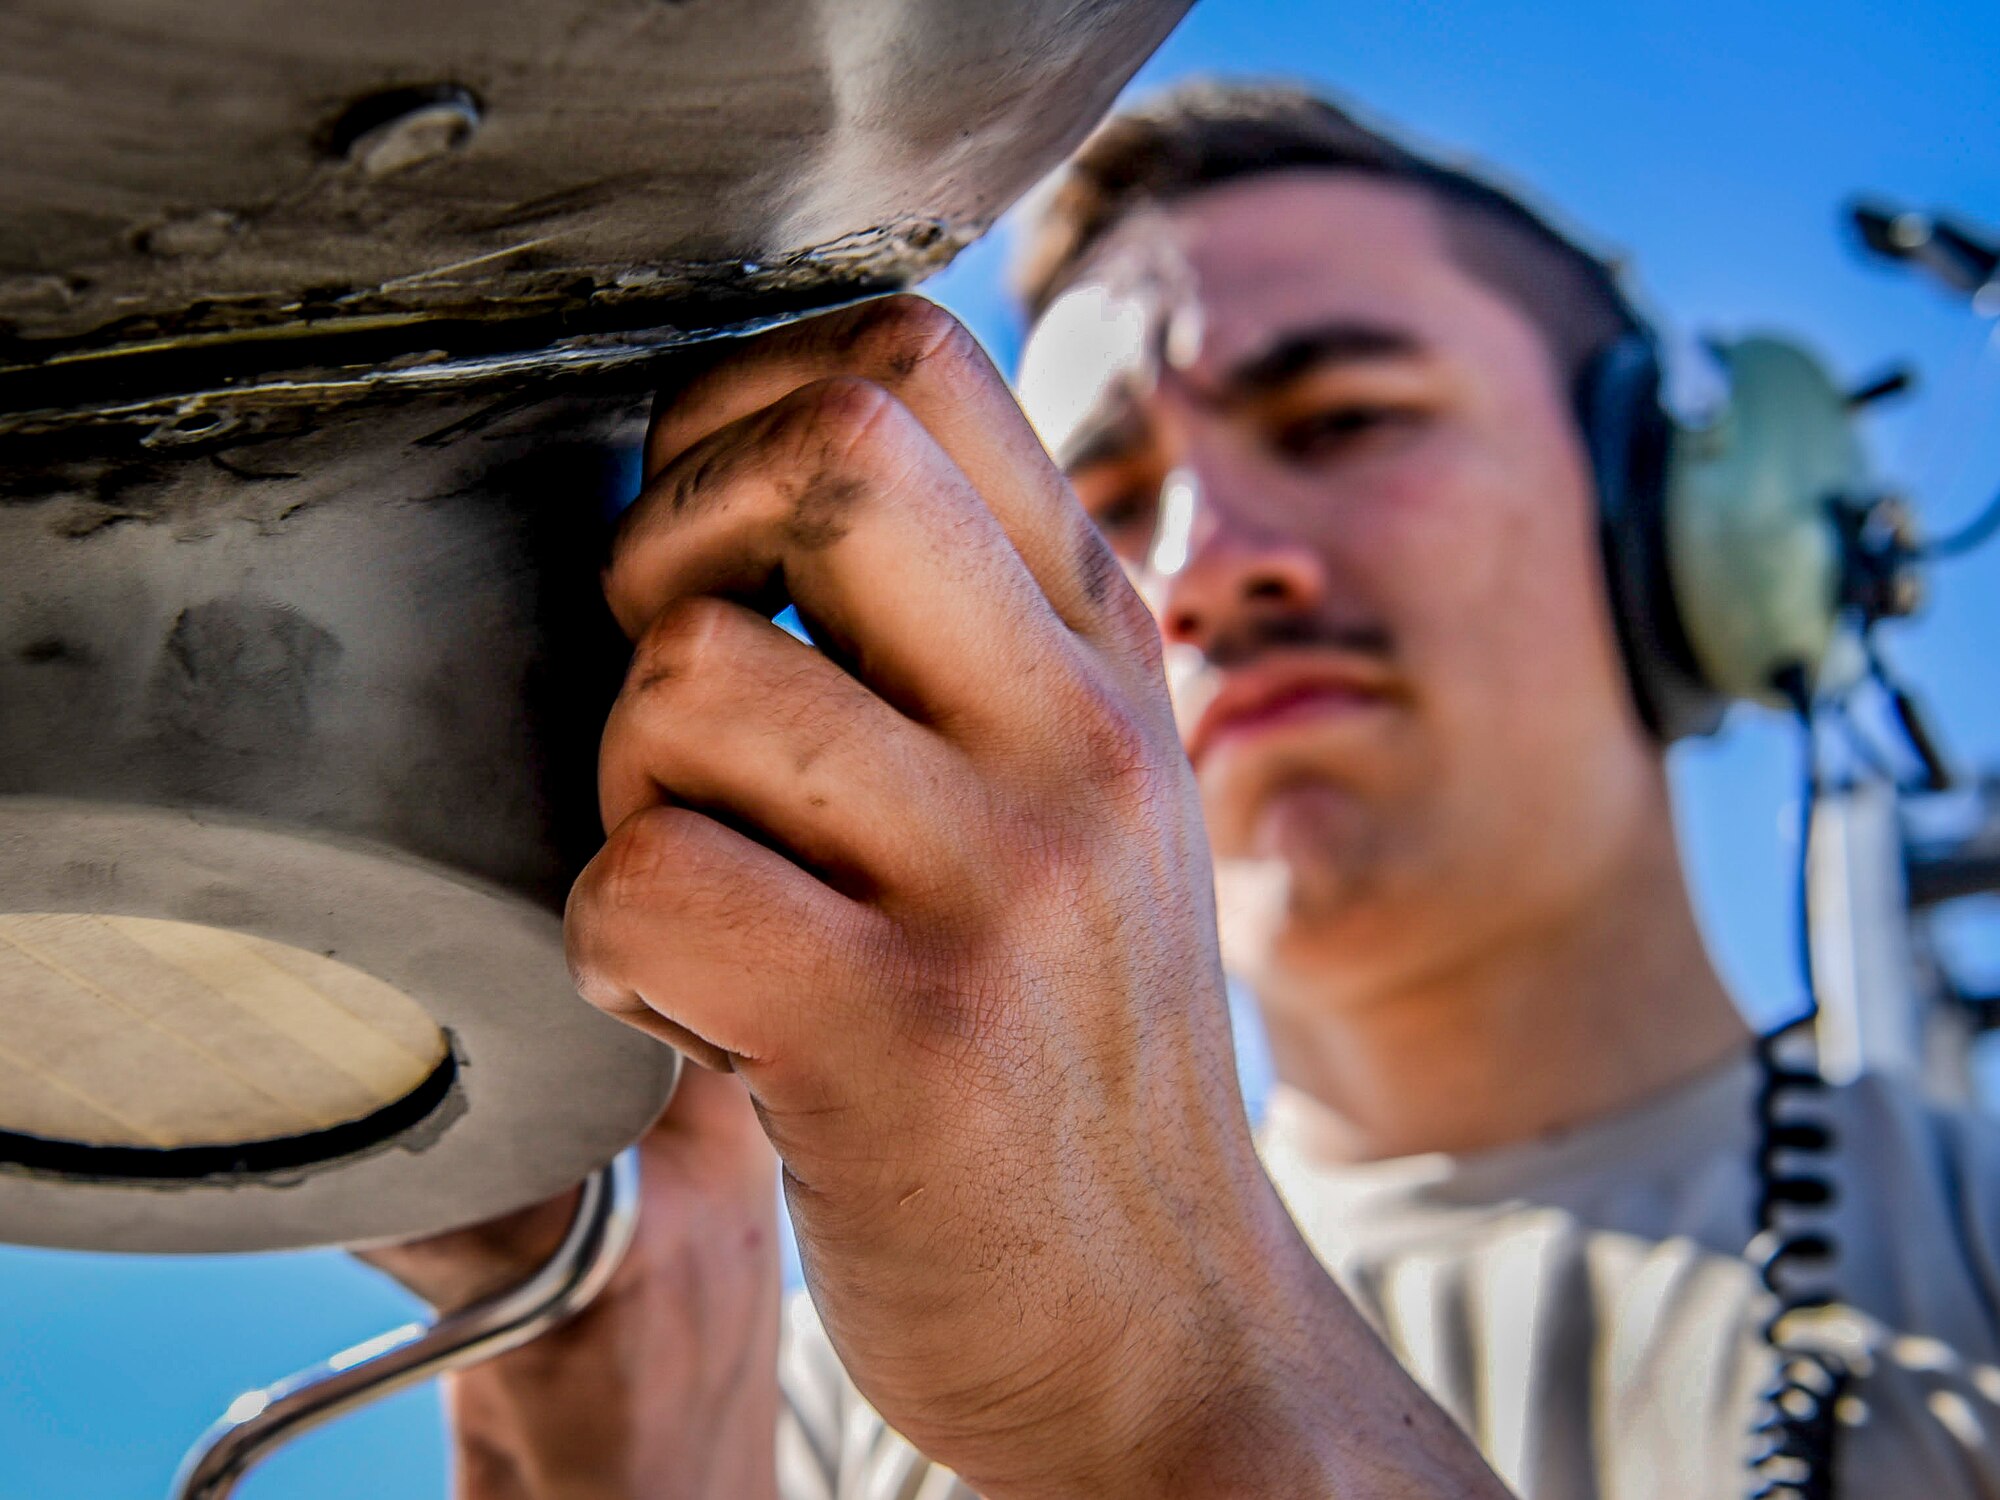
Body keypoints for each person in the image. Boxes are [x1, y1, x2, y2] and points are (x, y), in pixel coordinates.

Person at [363, 82, 2000, 1499]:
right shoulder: (809, 1419)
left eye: (1346, 418)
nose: (1203, 569)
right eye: (1110, 510)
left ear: (1689, 538)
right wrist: (598, 1387)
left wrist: (1173, 1384)